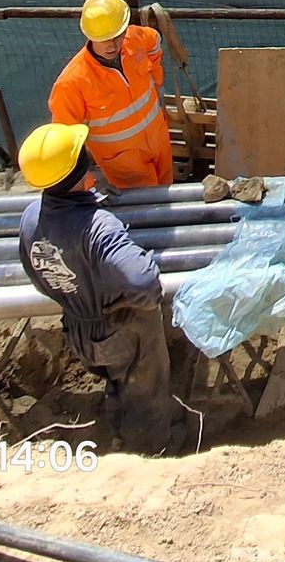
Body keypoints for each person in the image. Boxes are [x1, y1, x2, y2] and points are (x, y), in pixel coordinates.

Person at [16, 123, 174, 453]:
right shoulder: (97, 226)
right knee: (145, 394)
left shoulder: (31, 217)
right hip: (122, 330)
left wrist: (76, 292)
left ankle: (115, 430)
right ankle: (151, 453)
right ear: (82, 166)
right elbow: (143, 283)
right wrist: (137, 282)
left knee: (118, 381)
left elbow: (38, 277)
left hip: (78, 329)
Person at [48, 0, 171, 191]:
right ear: (88, 35)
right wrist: (86, 186)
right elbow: (65, 146)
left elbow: (154, 40)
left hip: (159, 143)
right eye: (103, 38)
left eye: (116, 36)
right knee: (147, 208)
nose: (111, 45)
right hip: (124, 162)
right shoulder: (72, 84)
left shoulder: (135, 39)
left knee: (168, 192)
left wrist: (157, 76)